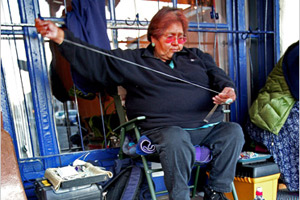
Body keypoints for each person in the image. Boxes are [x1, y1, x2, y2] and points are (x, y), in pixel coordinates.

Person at [36, 7, 244, 200]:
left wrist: (228, 90)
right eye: (170, 37)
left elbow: (219, 76)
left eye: (181, 37)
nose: (177, 43)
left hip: (205, 128)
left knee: (232, 131)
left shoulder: (196, 56)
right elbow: (99, 60)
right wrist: (62, 38)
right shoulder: (135, 60)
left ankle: (215, 190)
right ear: (153, 37)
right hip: (165, 132)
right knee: (176, 137)